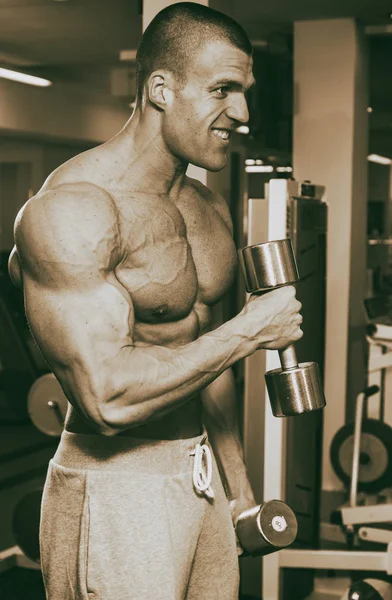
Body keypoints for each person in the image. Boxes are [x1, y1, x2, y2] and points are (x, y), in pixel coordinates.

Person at [8, 3, 303, 599]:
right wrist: (249, 331)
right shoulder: (74, 209)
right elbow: (106, 397)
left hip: (201, 476)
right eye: (223, 89)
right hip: (117, 481)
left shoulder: (207, 210)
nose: (241, 112)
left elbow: (201, 360)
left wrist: (237, 487)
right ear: (161, 89)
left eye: (244, 92)